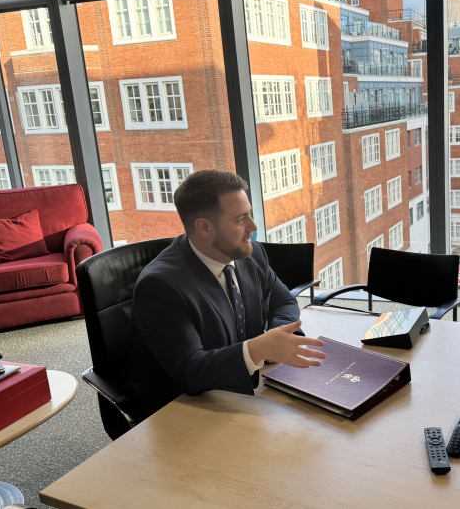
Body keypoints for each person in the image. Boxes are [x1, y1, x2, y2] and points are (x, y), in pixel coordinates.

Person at [121, 170, 326, 423]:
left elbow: (282, 300)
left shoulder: (251, 254)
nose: (253, 226)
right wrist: (257, 349)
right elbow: (190, 371)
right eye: (240, 219)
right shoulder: (161, 286)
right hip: (187, 412)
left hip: (247, 390)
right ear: (204, 227)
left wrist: (276, 340)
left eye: (249, 214)